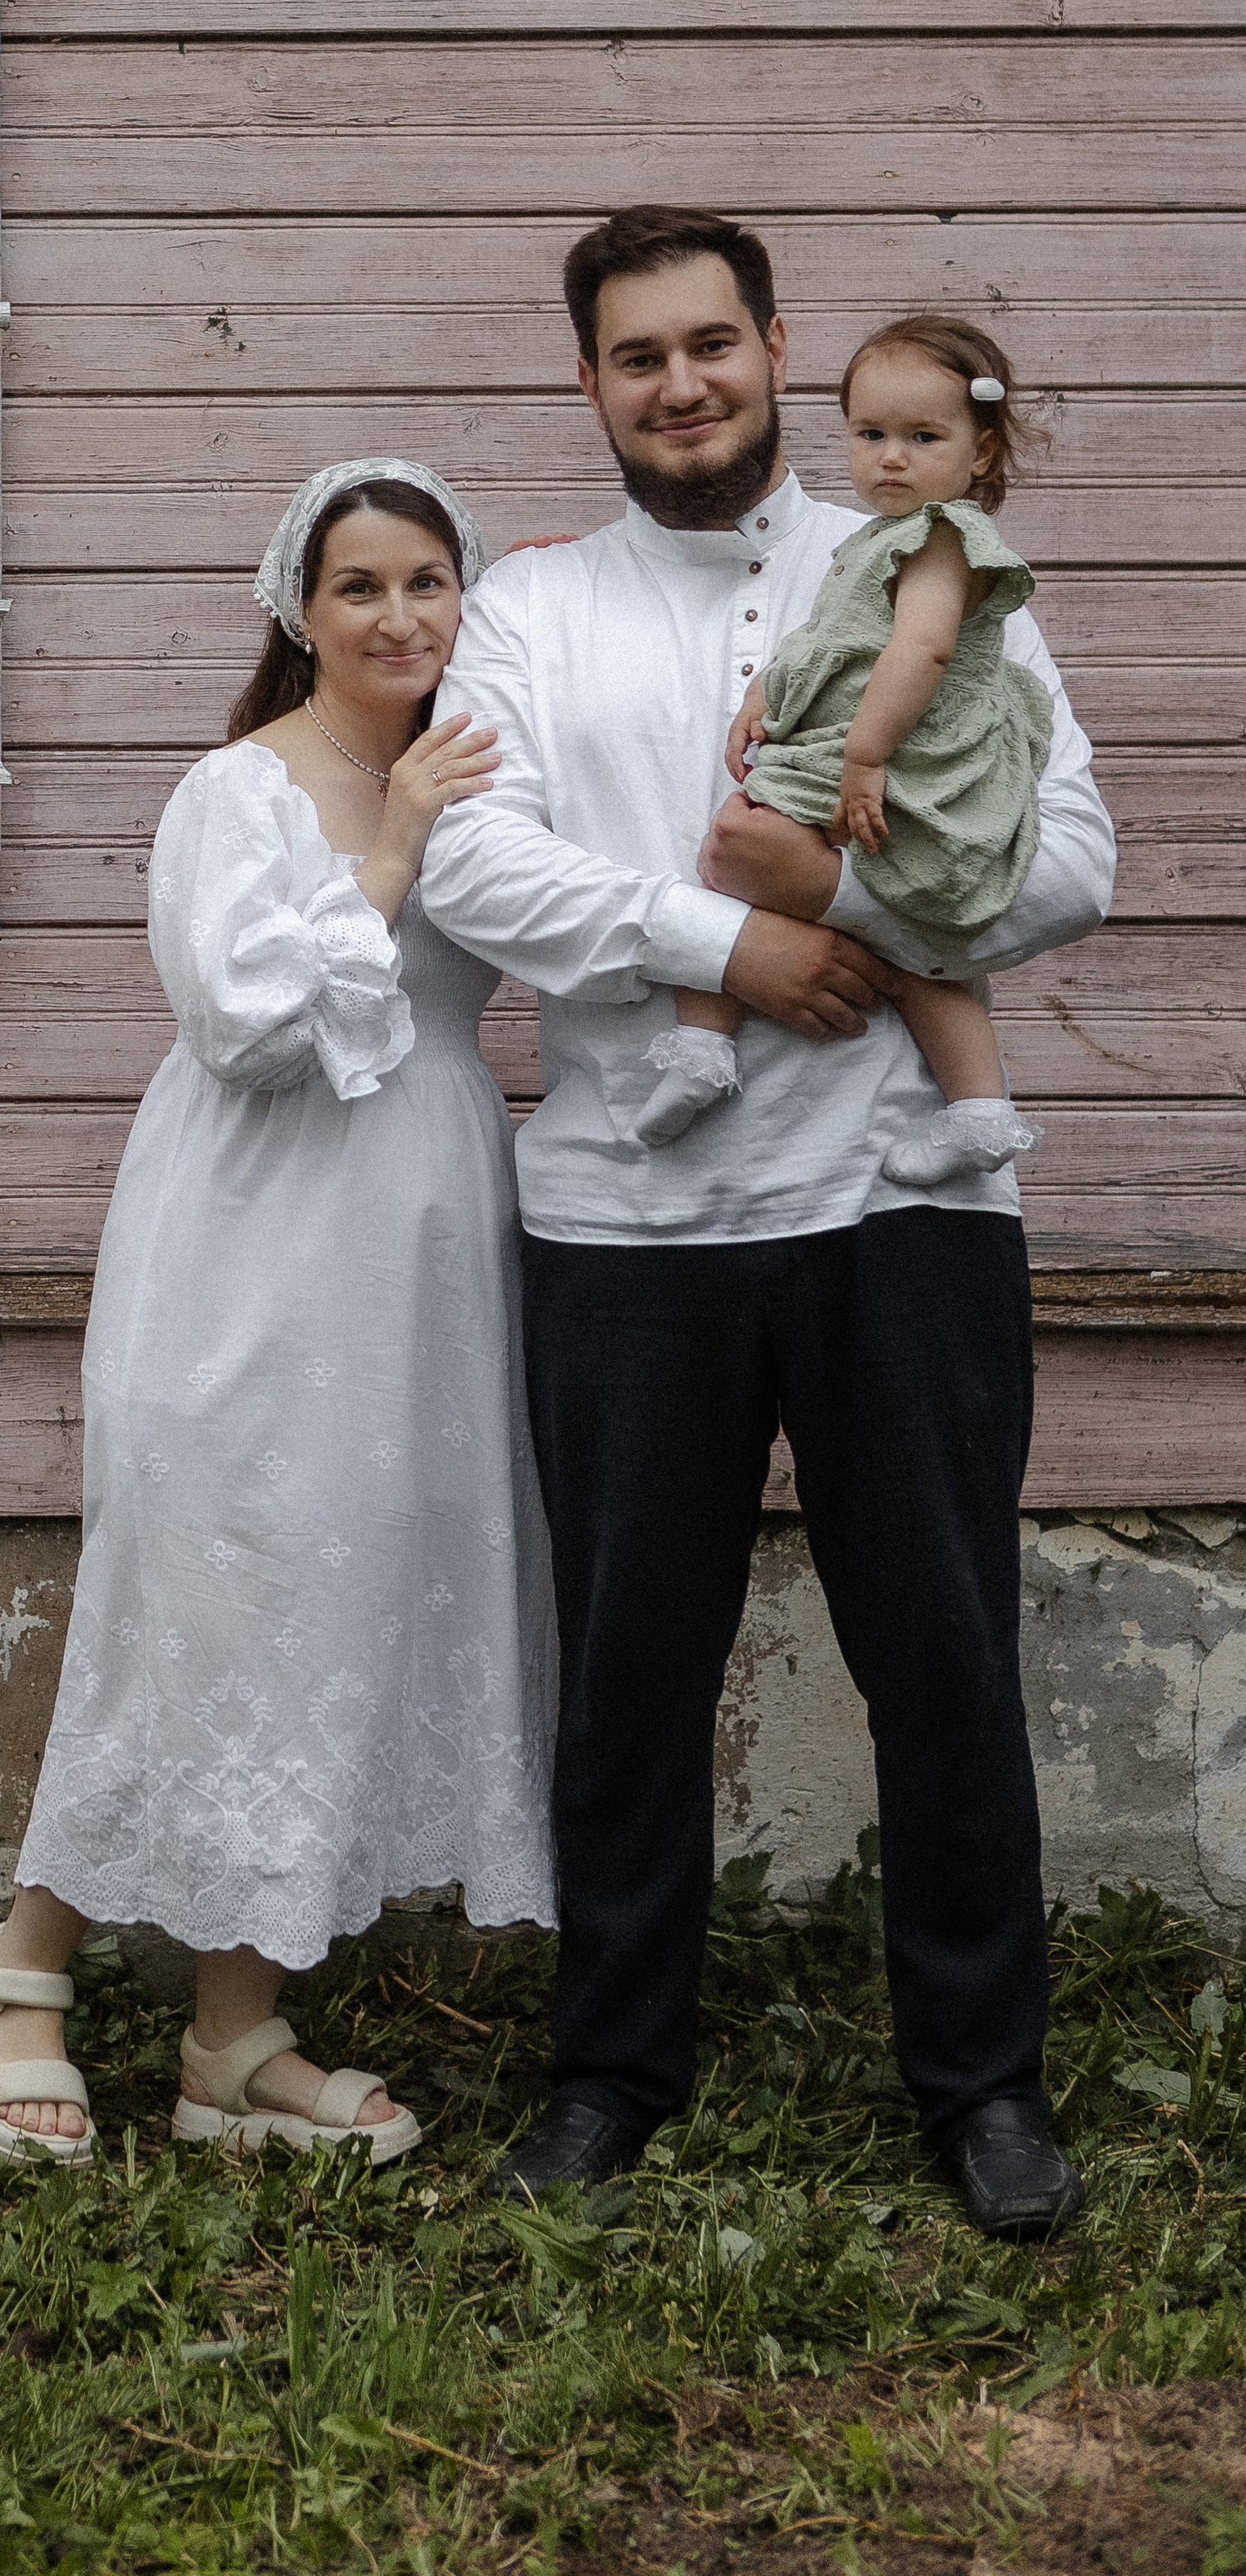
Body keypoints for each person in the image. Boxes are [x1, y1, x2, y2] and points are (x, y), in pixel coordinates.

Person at [418, 208, 1115, 2241]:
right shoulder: (532, 608)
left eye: (708, 342)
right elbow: (474, 867)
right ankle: (608, 2068)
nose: (680, 384)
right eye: (636, 355)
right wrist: (726, 941)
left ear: (775, 347)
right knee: (628, 1671)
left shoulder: (922, 560)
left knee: (943, 1655)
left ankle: (981, 2083)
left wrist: (844, 911)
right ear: (588, 383)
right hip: (625, 1213)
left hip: (903, 1195)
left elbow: (1069, 854)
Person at [0, 460, 558, 2169]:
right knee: (204, 1612)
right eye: (360, 586)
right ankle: (14, 1973)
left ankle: (232, 2041)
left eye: (427, 581)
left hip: (419, 1249)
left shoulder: (477, 765)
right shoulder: (243, 787)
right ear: (299, 609)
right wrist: (396, 845)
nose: (398, 617)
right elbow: (243, 1022)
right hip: (251, 1245)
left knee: (340, 1619)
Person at [635, 313, 1051, 1183]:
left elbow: (919, 652)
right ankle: (979, 1110)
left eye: (922, 437)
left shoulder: (944, 539)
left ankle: (703, 1045)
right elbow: (833, 640)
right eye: (870, 435)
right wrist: (765, 694)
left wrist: (862, 760)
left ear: (979, 452)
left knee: (729, 856)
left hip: (902, 755)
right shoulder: (876, 539)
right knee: (914, 937)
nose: (890, 458)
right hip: (878, 747)